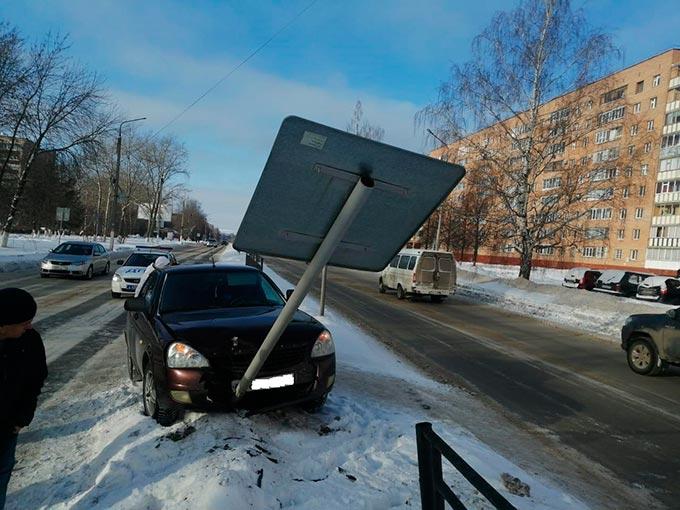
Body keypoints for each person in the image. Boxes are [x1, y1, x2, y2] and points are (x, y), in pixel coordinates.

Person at [0, 288, 47, 510]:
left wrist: (22, 418)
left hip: (7, 428)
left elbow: (36, 380)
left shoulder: (30, 341)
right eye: (24, 322)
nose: (29, 326)